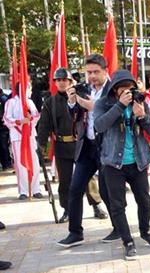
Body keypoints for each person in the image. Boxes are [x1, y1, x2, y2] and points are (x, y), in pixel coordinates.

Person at [94, 70, 150, 261]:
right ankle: (127, 241)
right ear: (115, 89)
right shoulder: (103, 104)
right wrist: (119, 106)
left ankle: (146, 231)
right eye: (122, 88)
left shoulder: (139, 102)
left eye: (130, 87)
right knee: (117, 205)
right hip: (113, 163)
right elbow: (99, 126)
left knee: (144, 200)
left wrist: (142, 116)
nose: (127, 91)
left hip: (138, 161)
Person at [57, 54, 115, 248]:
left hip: (106, 146)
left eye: (96, 72)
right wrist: (72, 101)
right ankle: (75, 233)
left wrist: (84, 103)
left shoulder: (113, 90)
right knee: (75, 188)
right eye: (89, 72)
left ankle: (118, 228)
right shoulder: (84, 88)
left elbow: (102, 109)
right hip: (86, 145)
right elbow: (74, 114)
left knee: (107, 191)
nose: (92, 76)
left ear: (106, 71)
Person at [36, 68, 106, 223]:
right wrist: (40, 144)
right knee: (66, 180)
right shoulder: (50, 102)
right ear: (55, 83)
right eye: (58, 80)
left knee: (88, 178)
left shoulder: (79, 96)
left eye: (64, 80)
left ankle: (96, 205)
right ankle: (67, 209)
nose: (61, 83)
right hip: (62, 145)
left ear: (70, 82)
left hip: (81, 144)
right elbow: (44, 125)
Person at [3, 82, 42, 199]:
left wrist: (31, 118)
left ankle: (36, 189)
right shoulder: (11, 102)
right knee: (20, 164)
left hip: (30, 136)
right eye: (28, 87)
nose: (30, 90)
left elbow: (36, 116)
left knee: (35, 163)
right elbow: (6, 119)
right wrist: (20, 122)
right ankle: (23, 191)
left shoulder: (30, 102)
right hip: (18, 137)